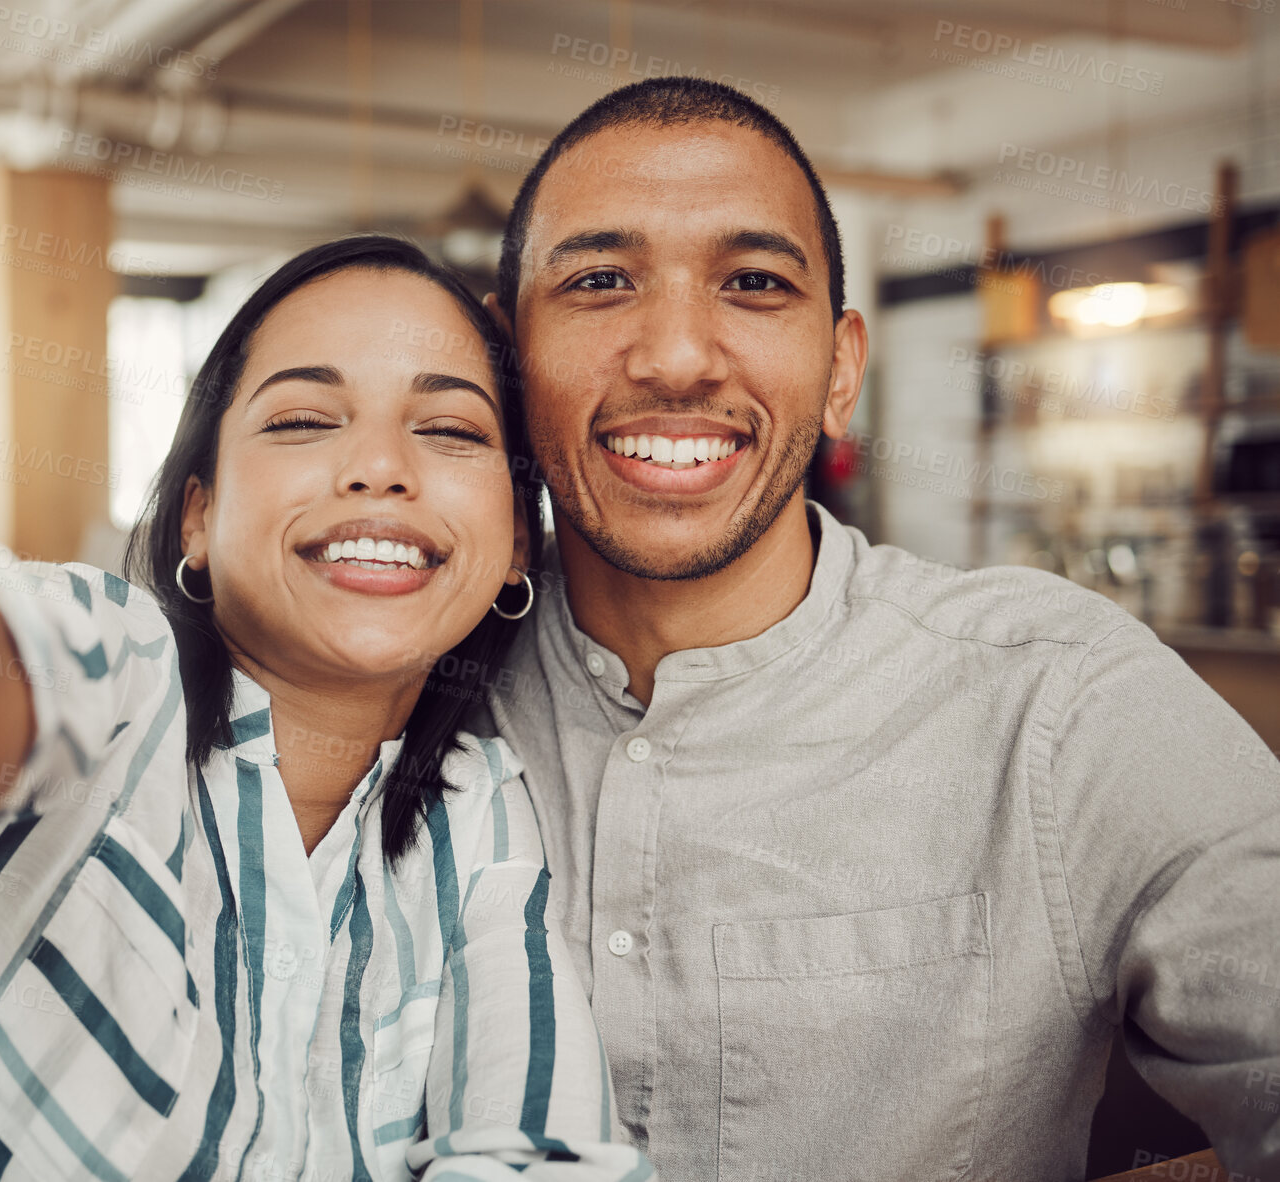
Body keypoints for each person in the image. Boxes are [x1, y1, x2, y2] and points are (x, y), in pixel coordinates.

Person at [0, 236, 653, 1181]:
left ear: (518, 539)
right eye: (300, 419)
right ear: (198, 515)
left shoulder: (478, 821)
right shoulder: (116, 679)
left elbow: (535, 1156)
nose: (379, 469)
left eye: (449, 430)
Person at [478, 77, 1280, 1180]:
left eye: (753, 282)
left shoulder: (1054, 706)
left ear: (840, 371)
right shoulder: (401, 692)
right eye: (600, 280)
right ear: (504, 361)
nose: (674, 357)